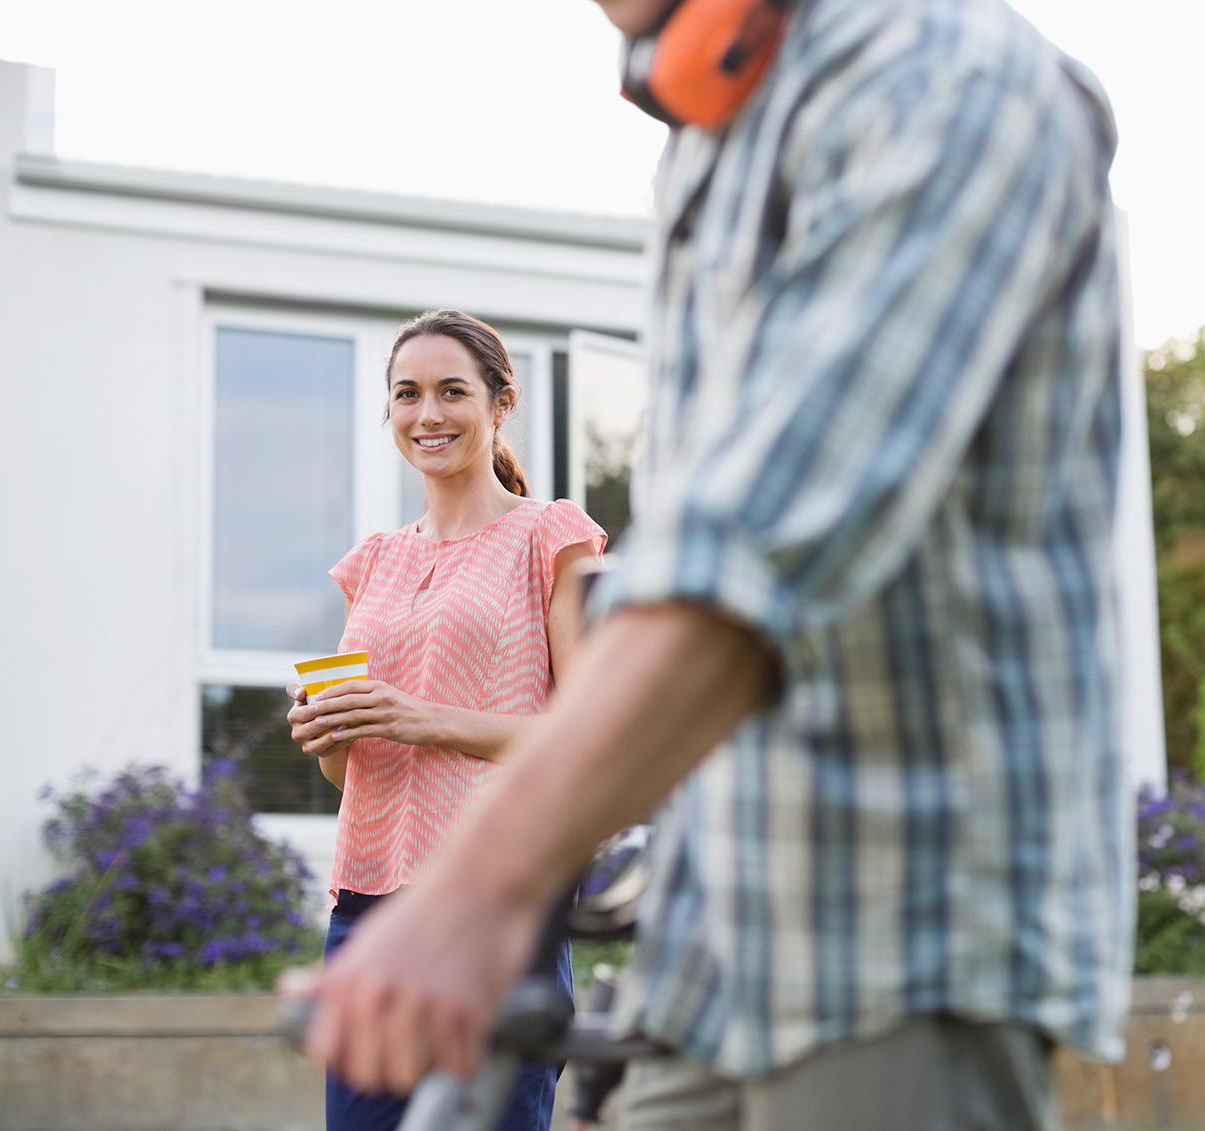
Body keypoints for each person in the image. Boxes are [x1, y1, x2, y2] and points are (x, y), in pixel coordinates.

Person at [291, 2, 1134, 1128]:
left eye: (452, 391)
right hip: (707, 946)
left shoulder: (936, 78)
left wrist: (482, 884)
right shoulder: (715, 130)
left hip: (900, 930)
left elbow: (749, 555)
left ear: (499, 408)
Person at [285, 309, 606, 1131]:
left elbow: (593, 735)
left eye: (451, 391)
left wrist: (423, 715)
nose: (427, 414)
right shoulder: (375, 562)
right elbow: (350, 771)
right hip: (366, 907)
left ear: (501, 403)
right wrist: (335, 732)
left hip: (495, 899)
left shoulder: (552, 535)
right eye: (407, 394)